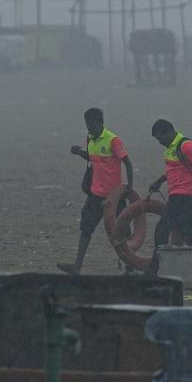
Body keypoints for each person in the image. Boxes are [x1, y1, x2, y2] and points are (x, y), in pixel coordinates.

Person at [57, 108, 132, 275]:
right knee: (86, 228)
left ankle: (130, 266)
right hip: (95, 194)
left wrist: (129, 188)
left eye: (90, 124)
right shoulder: (90, 139)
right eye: (86, 124)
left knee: (122, 231)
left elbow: (127, 162)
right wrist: (79, 153)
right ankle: (77, 265)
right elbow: (93, 158)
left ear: (100, 122)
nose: (88, 127)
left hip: (114, 196)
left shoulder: (113, 140)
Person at [146, 119, 192, 257]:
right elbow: (172, 170)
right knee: (187, 231)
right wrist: (159, 182)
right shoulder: (170, 149)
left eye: (160, 138)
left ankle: (156, 265)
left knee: (161, 230)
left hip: (185, 196)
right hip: (175, 194)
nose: (160, 142)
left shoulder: (185, 145)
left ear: (169, 132)